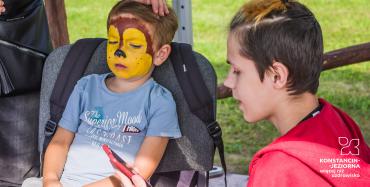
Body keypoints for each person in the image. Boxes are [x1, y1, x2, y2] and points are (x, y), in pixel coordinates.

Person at [118, 0, 370, 186]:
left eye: (237, 70)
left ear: (277, 75)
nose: (229, 82)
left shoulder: (276, 171)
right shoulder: (339, 122)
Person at [22, 0, 181, 187]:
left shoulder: (159, 102)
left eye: (134, 46)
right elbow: (60, 142)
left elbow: (140, 170)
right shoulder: (86, 87)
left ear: (160, 54)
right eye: (113, 42)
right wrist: (50, 180)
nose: (119, 52)